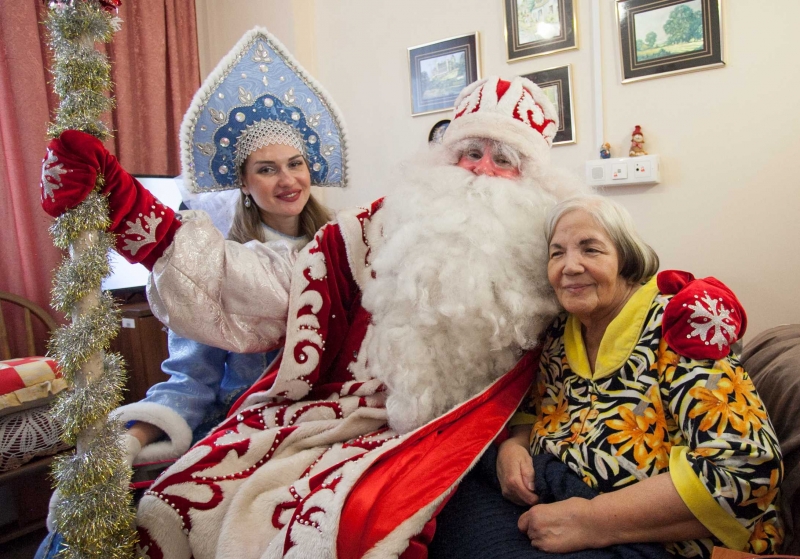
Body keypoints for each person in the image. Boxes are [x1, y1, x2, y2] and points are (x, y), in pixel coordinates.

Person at [39, 27, 586, 559]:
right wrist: (134, 211)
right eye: (471, 152)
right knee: (187, 501)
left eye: (503, 159)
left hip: (470, 430)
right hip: (354, 414)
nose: (483, 170)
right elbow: (272, 287)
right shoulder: (377, 229)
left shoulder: (549, 250)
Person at [491, 195, 783, 557]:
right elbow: (535, 408)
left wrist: (593, 520)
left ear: (626, 258)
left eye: (590, 249)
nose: (570, 266)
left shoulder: (679, 324)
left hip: (661, 540)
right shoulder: (561, 330)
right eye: (557, 253)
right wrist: (515, 446)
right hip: (553, 503)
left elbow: (747, 468)